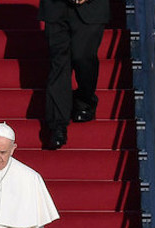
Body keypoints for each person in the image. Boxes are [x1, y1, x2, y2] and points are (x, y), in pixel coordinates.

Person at [39, 0, 110, 149]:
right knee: (59, 63)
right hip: (55, 9)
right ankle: (58, 125)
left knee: (82, 57)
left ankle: (85, 100)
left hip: (91, 8)